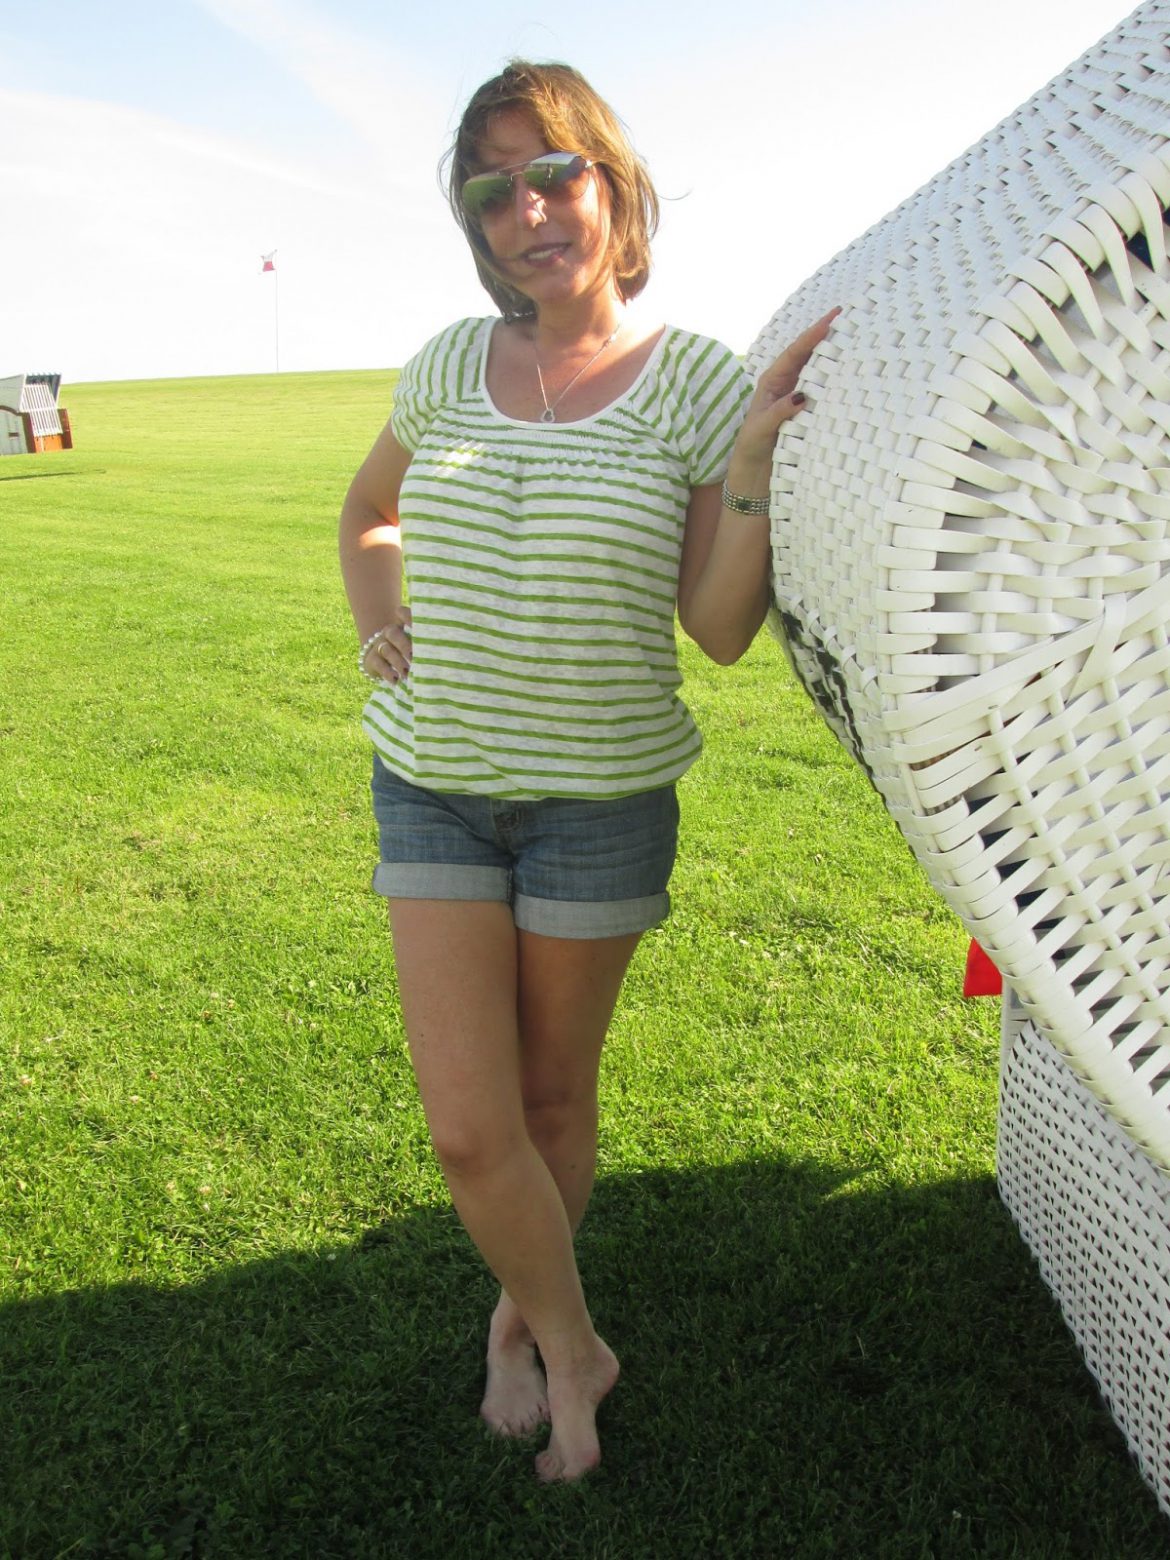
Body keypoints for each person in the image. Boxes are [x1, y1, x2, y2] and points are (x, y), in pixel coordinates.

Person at [339, 60, 836, 1483]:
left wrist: (749, 462)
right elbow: (368, 513)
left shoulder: (696, 383)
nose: (529, 210)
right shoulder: (449, 361)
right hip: (432, 784)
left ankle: (520, 1323)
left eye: (553, 172)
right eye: (494, 190)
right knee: (466, 1129)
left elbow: (718, 628)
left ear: (613, 186)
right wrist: (380, 622)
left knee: (552, 1107)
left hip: (597, 807)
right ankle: (575, 1347)